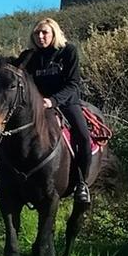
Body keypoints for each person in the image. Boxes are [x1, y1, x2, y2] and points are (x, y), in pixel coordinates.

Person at [18, 17, 92, 204]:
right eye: (37, 33)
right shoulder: (30, 56)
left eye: (45, 33)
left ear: (54, 33)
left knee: (83, 137)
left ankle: (82, 183)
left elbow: (73, 84)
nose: (40, 36)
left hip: (66, 103)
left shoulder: (68, 52)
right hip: (37, 105)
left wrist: (53, 101)